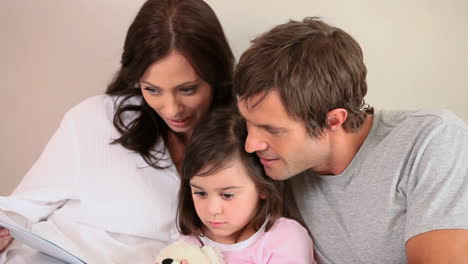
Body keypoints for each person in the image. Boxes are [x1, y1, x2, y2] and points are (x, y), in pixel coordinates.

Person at [0, 0, 234, 263]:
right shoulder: (94, 118)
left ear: (217, 75)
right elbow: (21, 210)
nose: (171, 109)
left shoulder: (241, 138)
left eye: (187, 89)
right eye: (152, 90)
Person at [233, 17, 468, 263]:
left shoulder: (431, 140)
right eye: (248, 122)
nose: (250, 144)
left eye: (272, 130)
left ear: (334, 121)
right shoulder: (269, 167)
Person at [175, 107, 316, 263]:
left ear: (262, 187)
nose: (212, 209)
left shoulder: (285, 238)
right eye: (200, 193)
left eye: (227, 195)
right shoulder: (189, 244)